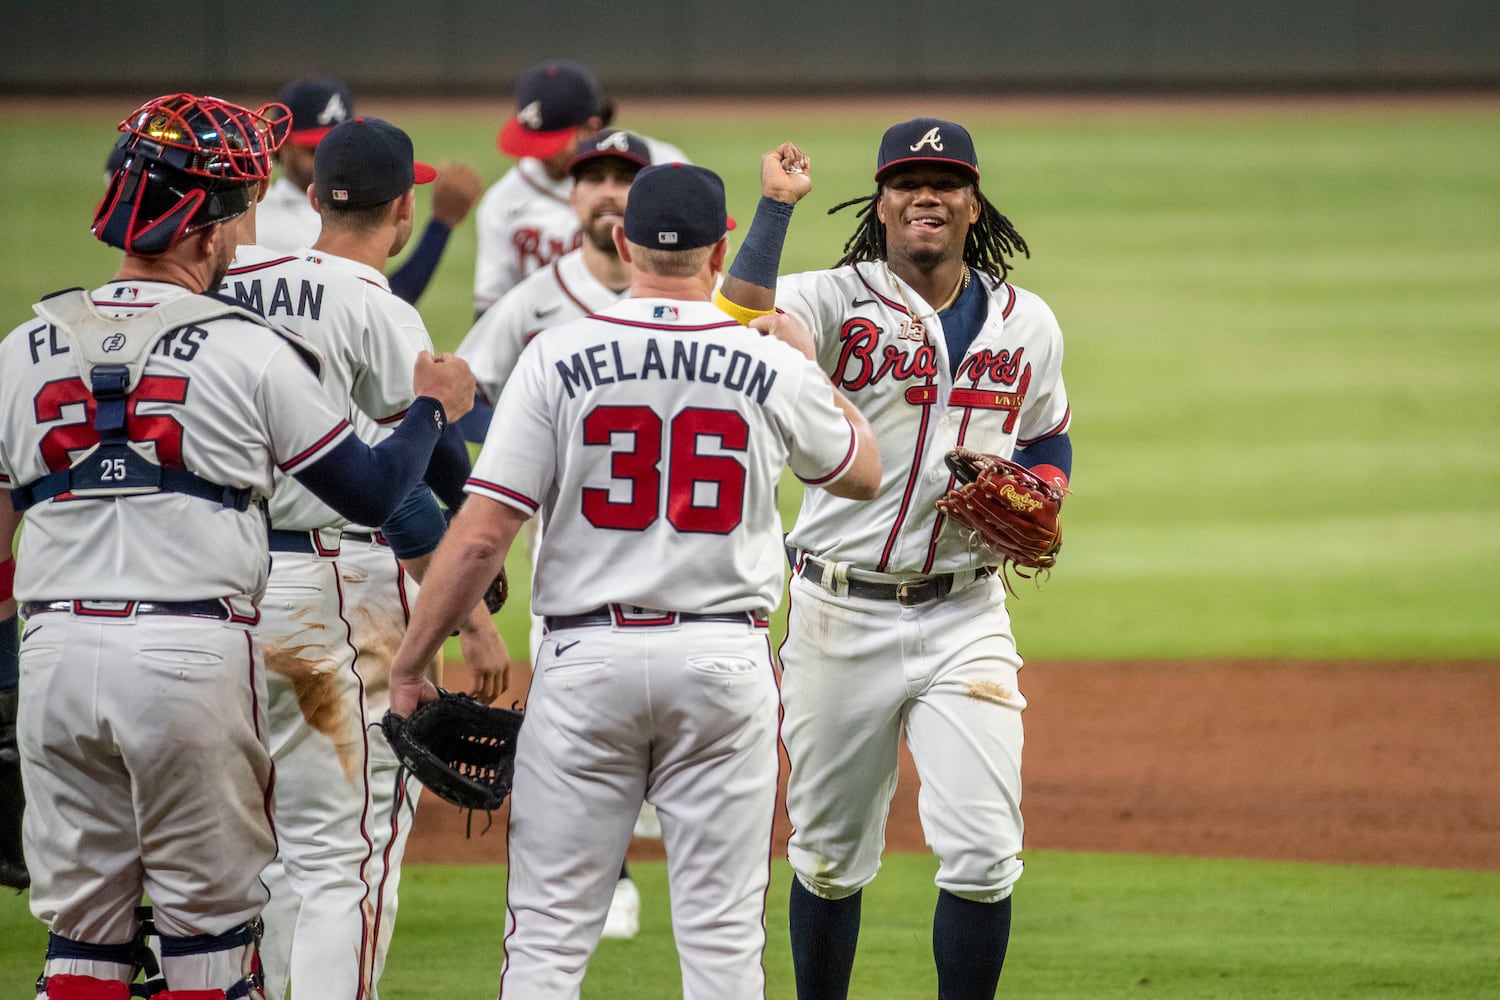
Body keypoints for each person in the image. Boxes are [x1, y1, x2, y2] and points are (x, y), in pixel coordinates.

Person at [0, 92, 475, 1000]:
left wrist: (0, 681)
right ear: (212, 230)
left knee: (86, 936)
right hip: (196, 651)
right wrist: (429, 408)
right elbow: (374, 489)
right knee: (211, 928)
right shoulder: (240, 348)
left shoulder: (23, 345)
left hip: (54, 653)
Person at [388, 160, 881, 999]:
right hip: (724, 667)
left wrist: (412, 661)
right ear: (721, 246)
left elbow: (480, 534)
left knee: (545, 942)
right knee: (724, 947)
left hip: (585, 665)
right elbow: (863, 473)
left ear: (622, 240)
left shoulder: (557, 354)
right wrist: (811, 366)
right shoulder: (765, 358)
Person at [716, 120, 1074, 1000]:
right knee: (831, 859)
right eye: (908, 181)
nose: (927, 195)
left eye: (946, 181)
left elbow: (1049, 432)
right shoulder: (834, 298)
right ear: (880, 203)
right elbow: (731, 320)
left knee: (987, 854)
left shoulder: (1027, 322)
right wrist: (772, 209)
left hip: (967, 613)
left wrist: (1046, 490)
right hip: (841, 613)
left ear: (973, 202)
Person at [219, 115, 507, 1000]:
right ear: (406, 209)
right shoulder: (379, 309)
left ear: (311, 197)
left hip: (219, 587)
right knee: (346, 856)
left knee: (257, 853)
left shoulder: (230, 281)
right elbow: (397, 489)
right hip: (328, 594)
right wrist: (471, 619)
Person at [456, 126, 656, 938]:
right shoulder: (536, 298)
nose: (608, 191)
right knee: (578, 722)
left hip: (684, 545)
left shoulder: (688, 300)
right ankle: (605, 874)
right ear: (570, 196)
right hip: (565, 547)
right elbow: (460, 394)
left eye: (624, 179)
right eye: (593, 178)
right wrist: (514, 456)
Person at [472, 58, 686, 316]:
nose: (539, 155)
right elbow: (489, 310)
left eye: (551, 145)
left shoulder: (663, 166)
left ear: (591, 128)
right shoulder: (502, 201)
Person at [258, 75, 483, 305]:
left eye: (338, 145)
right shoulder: (266, 225)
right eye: (313, 150)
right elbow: (378, 304)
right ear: (280, 143)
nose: (331, 161)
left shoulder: (349, 205)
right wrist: (440, 225)